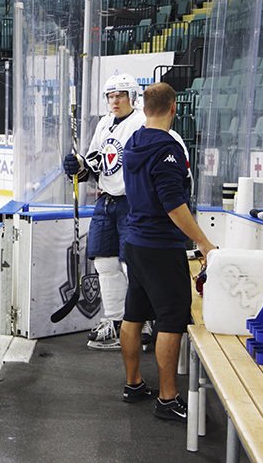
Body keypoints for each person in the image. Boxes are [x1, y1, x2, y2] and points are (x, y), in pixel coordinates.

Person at [120, 81, 216, 421]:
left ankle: (133, 384)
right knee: (171, 319)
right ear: (173, 108)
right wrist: (204, 243)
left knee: (134, 313)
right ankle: (167, 398)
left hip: (134, 242)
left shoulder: (133, 142)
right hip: (160, 246)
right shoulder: (167, 150)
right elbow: (175, 205)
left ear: (144, 109)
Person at [63, 73, 152, 350]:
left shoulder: (141, 124)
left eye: (120, 95)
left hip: (131, 203)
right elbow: (95, 162)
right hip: (106, 201)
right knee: (104, 263)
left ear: (133, 97)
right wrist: (78, 166)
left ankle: (142, 322)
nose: (115, 100)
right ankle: (114, 321)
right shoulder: (104, 124)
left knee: (131, 265)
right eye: (110, 96)